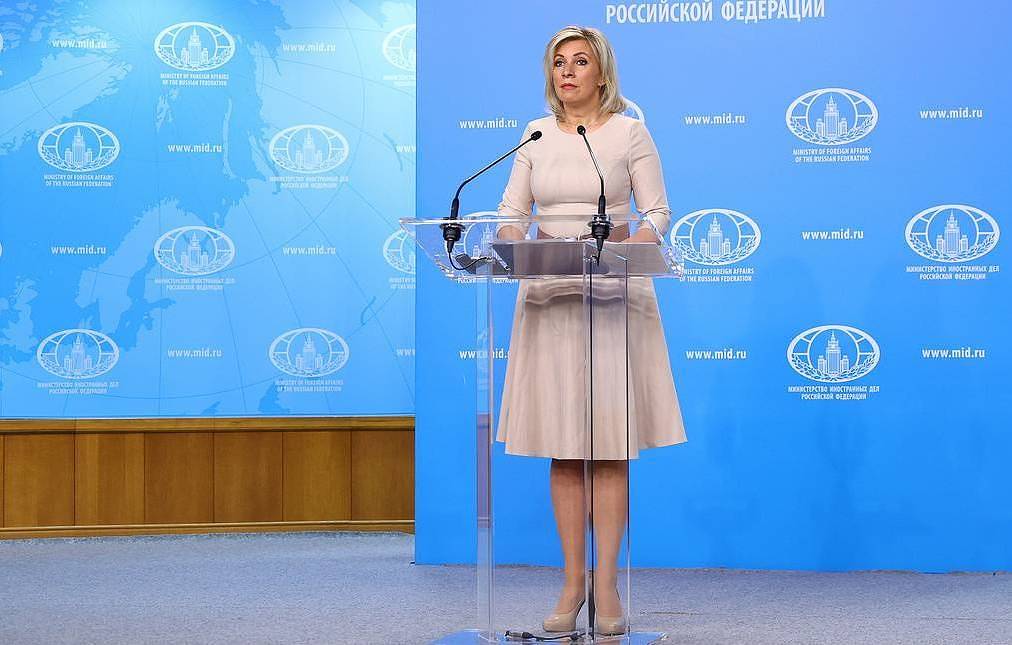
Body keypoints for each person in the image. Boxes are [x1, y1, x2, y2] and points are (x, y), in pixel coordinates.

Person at [495, 25, 687, 636]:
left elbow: (657, 213)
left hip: (612, 294)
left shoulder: (629, 132)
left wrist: (628, 246)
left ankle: (606, 585)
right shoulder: (534, 135)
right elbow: (510, 216)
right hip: (550, 295)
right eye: (559, 63)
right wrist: (513, 245)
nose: (568, 72)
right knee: (564, 443)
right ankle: (571, 581)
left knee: (608, 442)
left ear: (602, 73)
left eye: (580, 62)